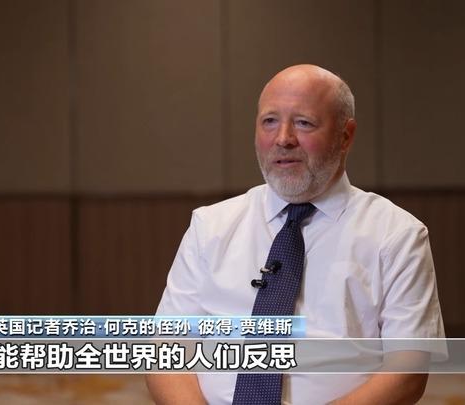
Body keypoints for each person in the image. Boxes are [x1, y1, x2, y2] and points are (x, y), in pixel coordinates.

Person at [146, 64, 445, 404]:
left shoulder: (397, 236)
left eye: (304, 123)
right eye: (269, 121)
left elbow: (406, 375)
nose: (283, 138)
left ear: (345, 135)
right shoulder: (210, 226)